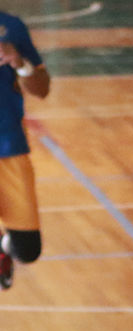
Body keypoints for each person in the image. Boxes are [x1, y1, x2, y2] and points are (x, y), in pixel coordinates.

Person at [0, 10, 49, 294]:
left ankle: (5, 249)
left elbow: (42, 89)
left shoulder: (11, 28)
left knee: (28, 248)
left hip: (9, 148)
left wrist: (20, 63)